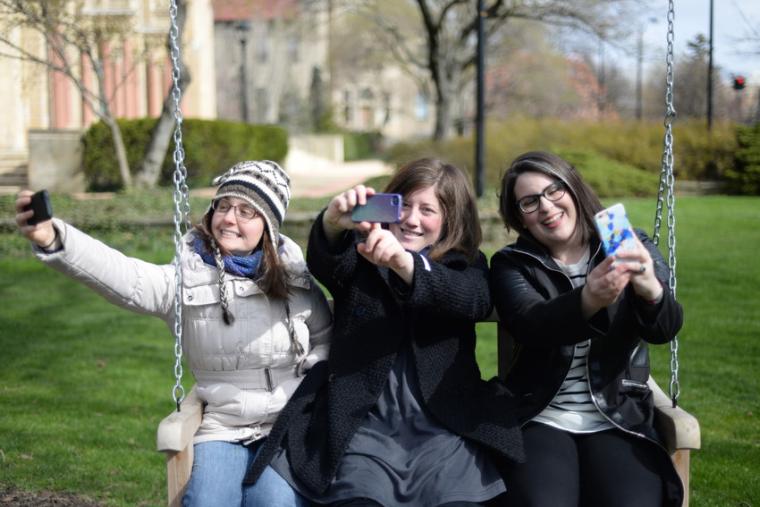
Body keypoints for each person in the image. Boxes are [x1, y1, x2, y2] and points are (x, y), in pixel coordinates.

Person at [15, 161, 332, 507]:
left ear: (268, 227)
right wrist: (54, 237)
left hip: (285, 427)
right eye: (223, 206)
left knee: (273, 503)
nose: (229, 219)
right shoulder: (184, 280)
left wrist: (309, 375)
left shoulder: (295, 281)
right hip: (222, 426)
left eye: (246, 212)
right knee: (205, 502)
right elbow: (125, 277)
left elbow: (325, 338)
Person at [243, 158, 524, 507]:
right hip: (364, 425)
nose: (411, 219)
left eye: (428, 210)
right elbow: (327, 262)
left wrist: (405, 265)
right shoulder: (361, 256)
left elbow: (470, 298)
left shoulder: (468, 265)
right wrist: (332, 224)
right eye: (403, 205)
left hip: (443, 427)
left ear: (451, 220)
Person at [489, 151, 685, 507]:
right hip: (540, 414)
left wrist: (648, 287)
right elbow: (532, 325)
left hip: (617, 414)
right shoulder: (512, 264)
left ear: (574, 188)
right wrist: (588, 299)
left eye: (554, 190)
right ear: (519, 218)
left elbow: (665, 330)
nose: (546, 207)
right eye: (529, 202)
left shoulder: (631, 245)